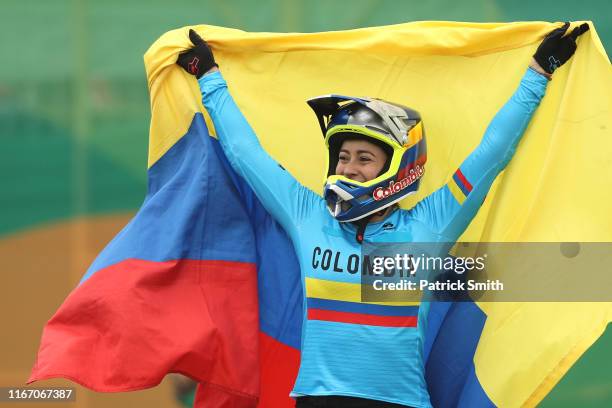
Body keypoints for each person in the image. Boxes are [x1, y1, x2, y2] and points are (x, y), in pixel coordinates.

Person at [176, 22, 588, 408]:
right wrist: (208, 78)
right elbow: (245, 153)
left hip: (401, 402)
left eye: (364, 158)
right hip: (318, 398)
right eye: (343, 156)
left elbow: (491, 155)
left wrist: (539, 73)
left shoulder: (430, 224)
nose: (349, 167)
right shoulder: (308, 216)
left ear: (399, 164)